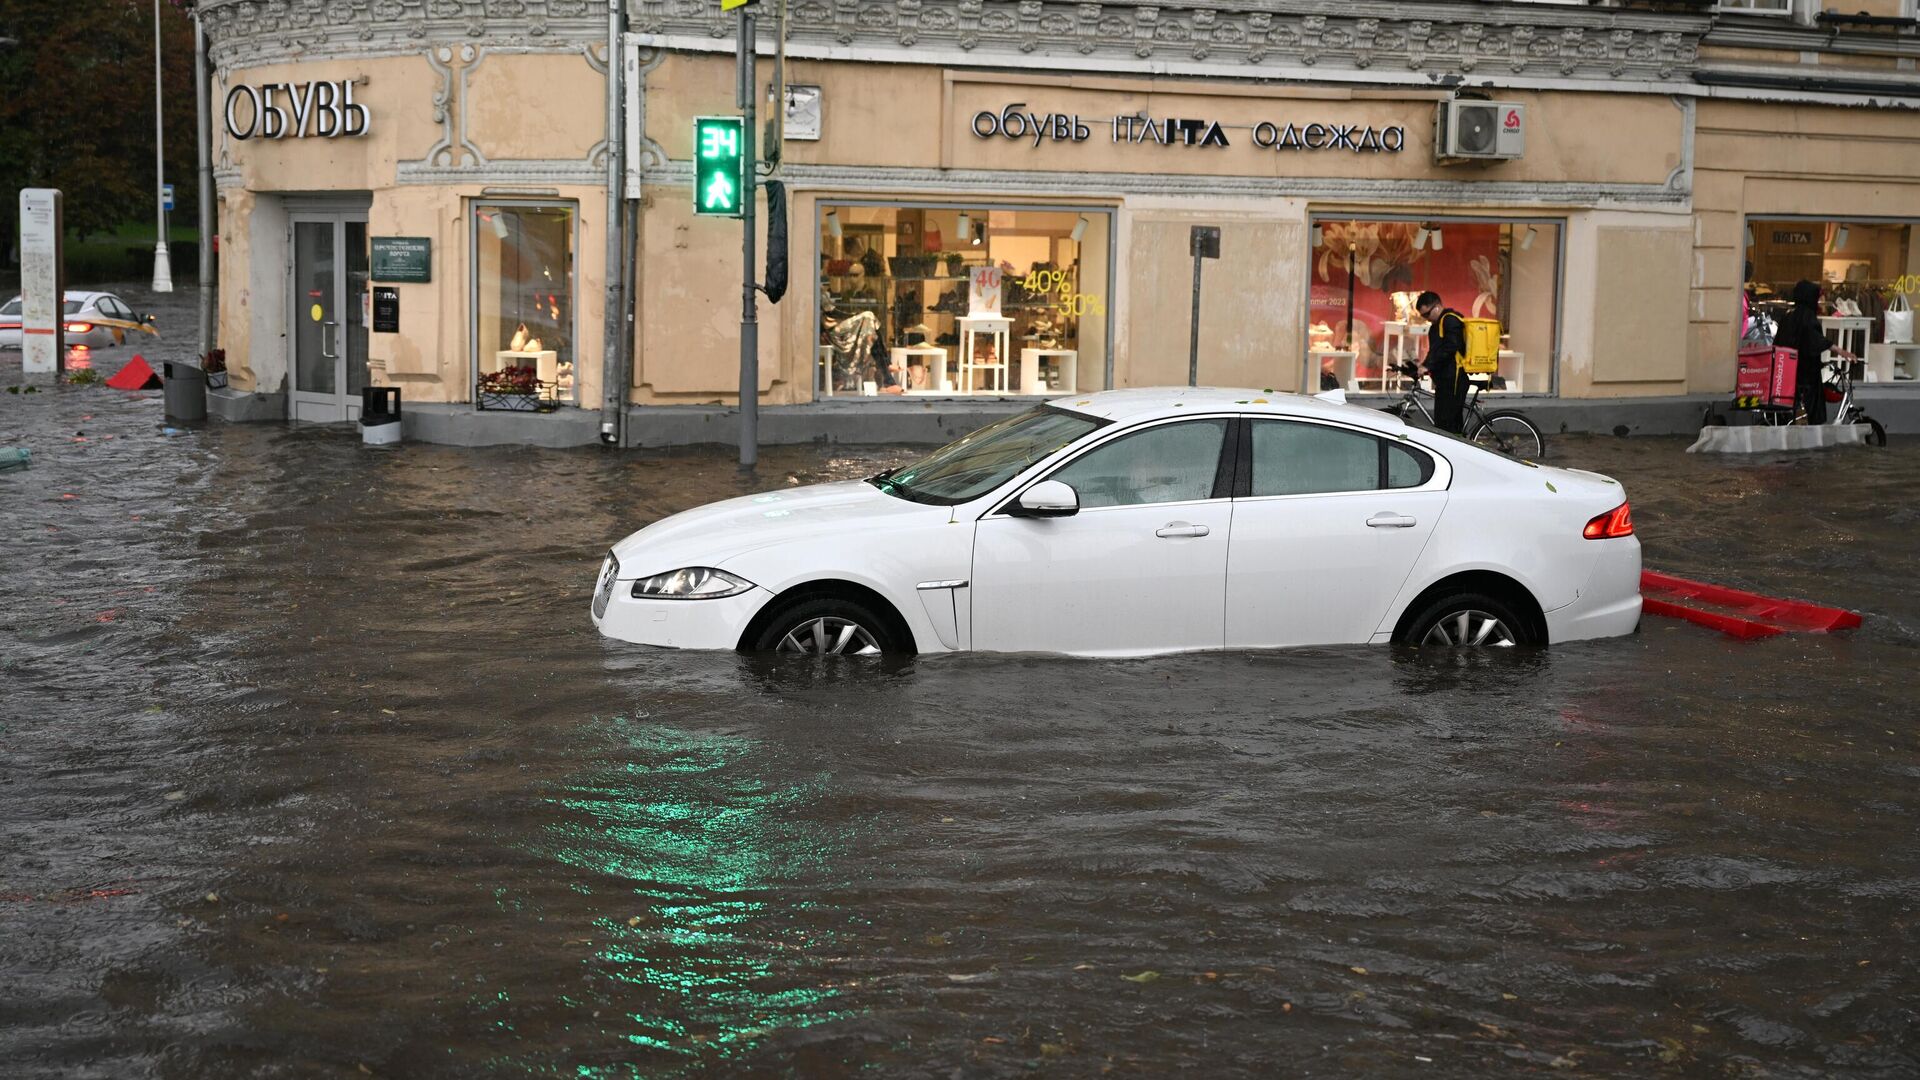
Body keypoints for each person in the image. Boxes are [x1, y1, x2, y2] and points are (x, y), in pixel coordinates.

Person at [1776, 279, 1854, 425]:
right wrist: (1841, 351)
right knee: (1811, 404)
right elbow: (1815, 339)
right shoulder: (1807, 316)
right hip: (1805, 371)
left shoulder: (1788, 316)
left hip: (1786, 369)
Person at [1417, 291, 1470, 434]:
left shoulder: (1450, 320)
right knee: (1442, 422)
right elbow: (1434, 351)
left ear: (1437, 306)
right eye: (1423, 316)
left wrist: (1428, 365)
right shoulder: (1435, 326)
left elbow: (1450, 347)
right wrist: (1423, 365)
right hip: (1444, 379)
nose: (1426, 319)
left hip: (1455, 377)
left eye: (1427, 314)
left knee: (1448, 422)